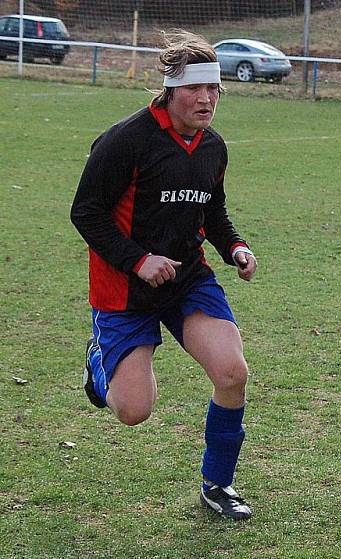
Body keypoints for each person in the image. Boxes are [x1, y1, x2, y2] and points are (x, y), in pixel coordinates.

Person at [71, 30, 257, 521]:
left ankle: (217, 485)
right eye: (196, 89)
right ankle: (99, 365)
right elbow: (85, 213)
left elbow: (211, 212)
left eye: (214, 89)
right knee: (134, 411)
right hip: (124, 285)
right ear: (172, 90)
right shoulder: (125, 141)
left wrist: (235, 246)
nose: (207, 99)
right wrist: (138, 260)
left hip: (188, 279)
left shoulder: (213, 148)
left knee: (232, 372)